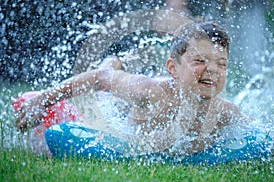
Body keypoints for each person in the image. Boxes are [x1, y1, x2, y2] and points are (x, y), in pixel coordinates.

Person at [15, 21, 247, 154]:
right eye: (199, 61)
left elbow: (258, 135)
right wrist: (42, 100)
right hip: (120, 116)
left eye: (221, 63)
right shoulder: (150, 91)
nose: (212, 70)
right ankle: (112, 61)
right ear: (173, 68)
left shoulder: (225, 113)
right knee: (105, 92)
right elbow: (98, 78)